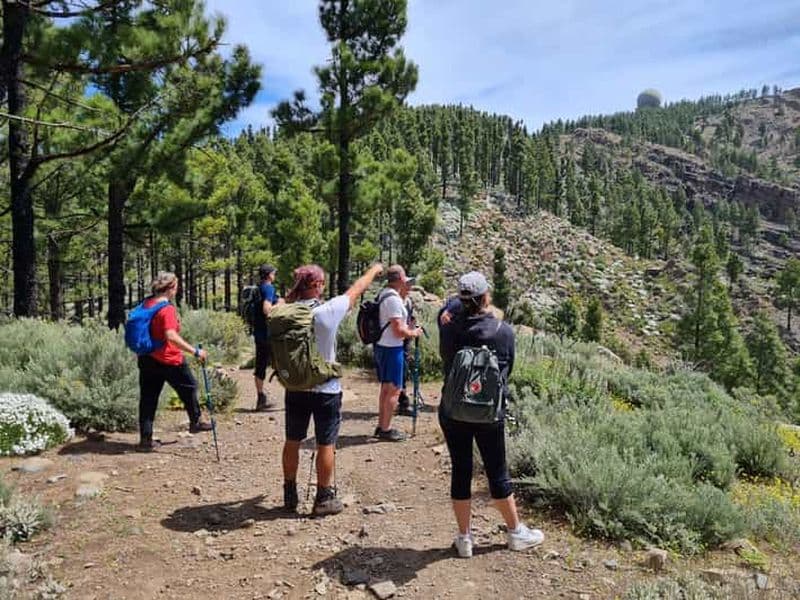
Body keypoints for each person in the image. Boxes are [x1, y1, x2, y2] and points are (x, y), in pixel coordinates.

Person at [438, 271, 544, 558]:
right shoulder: (503, 330)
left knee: (461, 470)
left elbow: (446, 361)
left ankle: (464, 538)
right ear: (486, 296)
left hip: (453, 410)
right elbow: (509, 370)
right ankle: (515, 532)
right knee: (497, 470)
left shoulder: (449, 328)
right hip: (489, 413)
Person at [281, 263, 384, 516]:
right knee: (325, 442)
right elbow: (356, 289)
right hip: (326, 389)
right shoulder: (327, 311)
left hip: (295, 386)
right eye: (322, 283)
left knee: (292, 439)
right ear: (317, 285)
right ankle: (324, 498)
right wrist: (374, 270)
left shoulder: (285, 313)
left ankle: (289, 492)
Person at [136, 272, 212, 452]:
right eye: (176, 287)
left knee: (148, 399)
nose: (177, 290)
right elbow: (171, 336)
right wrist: (195, 351)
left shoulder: (146, 304)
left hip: (146, 358)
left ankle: (146, 439)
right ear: (170, 288)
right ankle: (196, 421)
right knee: (190, 386)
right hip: (168, 358)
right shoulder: (166, 308)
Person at [373, 265, 423, 441]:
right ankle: (386, 429)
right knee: (394, 389)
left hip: (382, 346)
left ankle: (382, 426)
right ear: (400, 278)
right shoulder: (393, 299)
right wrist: (414, 332)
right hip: (392, 348)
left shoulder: (383, 294)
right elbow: (398, 331)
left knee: (386, 389)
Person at [253, 264, 282, 411]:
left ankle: (260, 398)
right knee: (284, 363)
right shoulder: (268, 288)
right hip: (269, 334)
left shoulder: (258, 288)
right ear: (269, 275)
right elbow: (267, 309)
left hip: (259, 333)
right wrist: (280, 305)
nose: (274, 275)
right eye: (273, 273)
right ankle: (295, 394)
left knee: (260, 365)